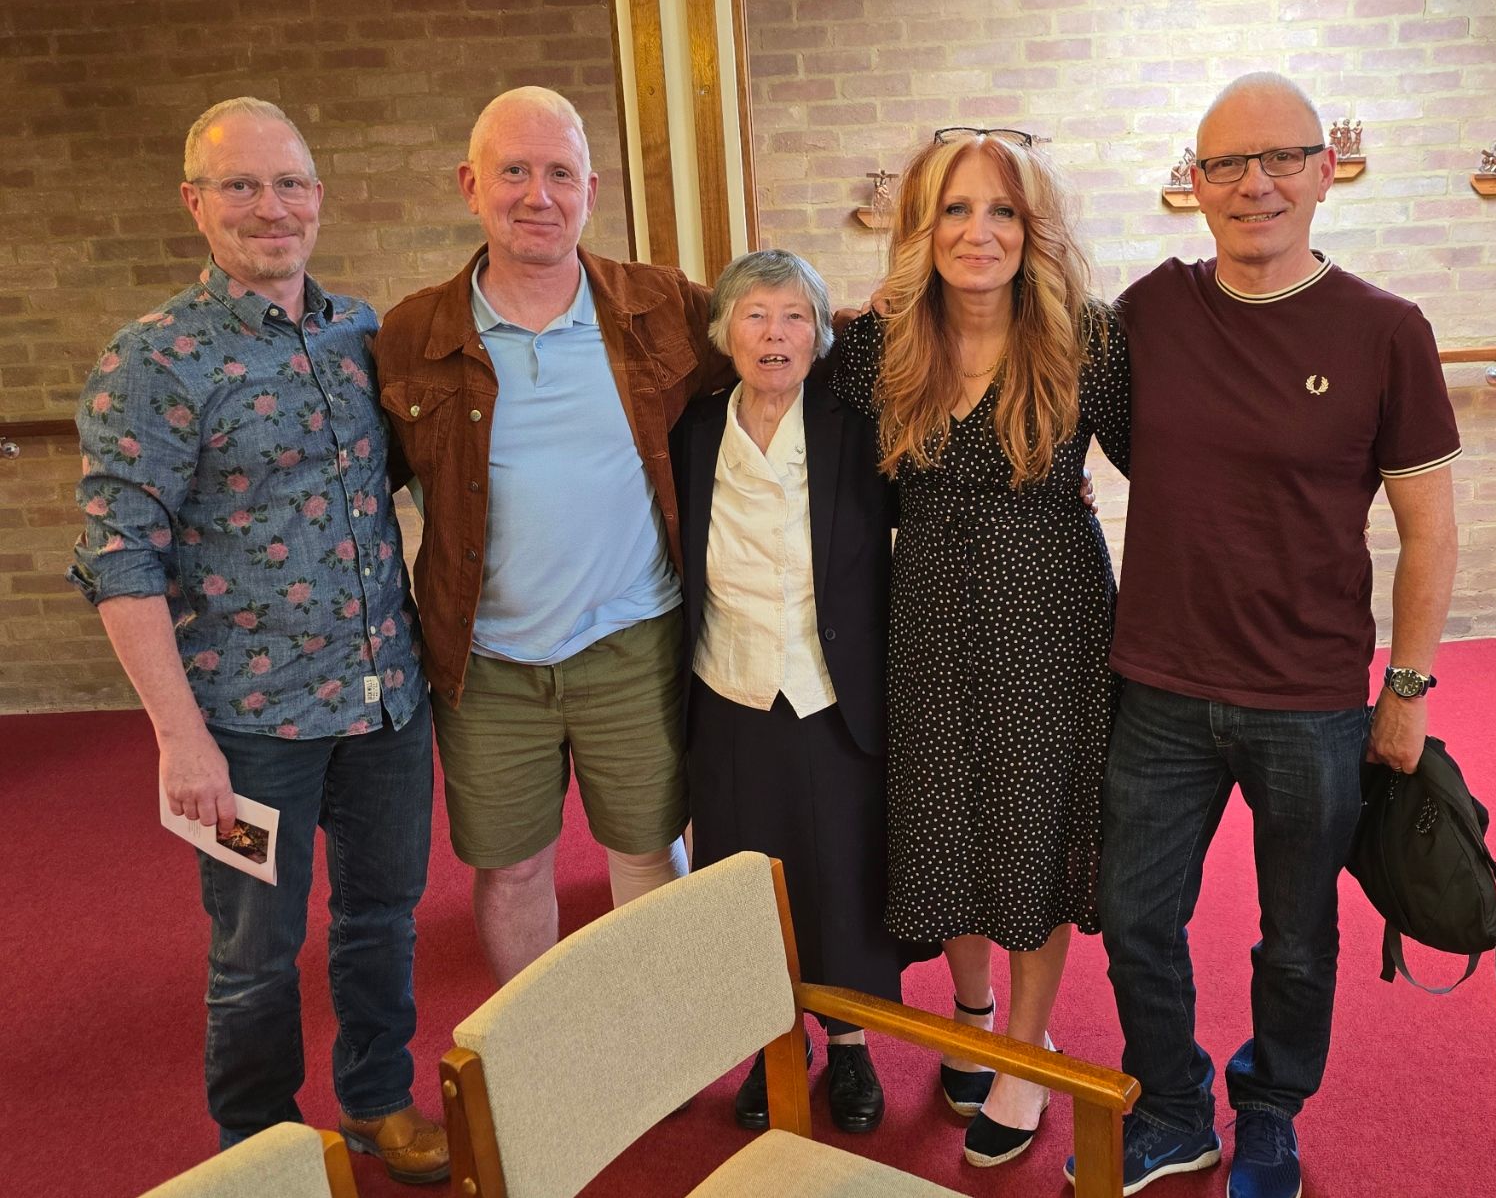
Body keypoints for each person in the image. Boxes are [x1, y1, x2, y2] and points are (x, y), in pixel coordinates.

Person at [1089, 73, 1460, 1198]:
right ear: (1193, 185)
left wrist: (1406, 688)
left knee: (1295, 934)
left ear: (1325, 170)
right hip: (1158, 686)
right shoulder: (1148, 312)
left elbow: (1430, 530)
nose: (1254, 184)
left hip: (1309, 698)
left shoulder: (1386, 329)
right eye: (1225, 164)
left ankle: (1269, 1110)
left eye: (1281, 158)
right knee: (1132, 916)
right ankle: (1171, 1109)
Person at [69, 98, 447, 1184]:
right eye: (240, 185)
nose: (269, 207)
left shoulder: (360, 333)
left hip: (384, 706)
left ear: (318, 198)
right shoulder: (154, 359)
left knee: (383, 917)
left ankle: (377, 1100)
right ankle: (262, 1148)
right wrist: (177, 737)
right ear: (195, 203)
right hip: (244, 729)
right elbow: (119, 559)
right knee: (253, 954)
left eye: (287, 184)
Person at [370, 87, 732, 985]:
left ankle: (663, 1027)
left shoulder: (660, 307)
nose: (538, 194)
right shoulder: (412, 334)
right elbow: (354, 484)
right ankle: (541, 1043)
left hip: (631, 639)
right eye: (514, 171)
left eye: (560, 173)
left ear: (590, 191)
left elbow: (780, 337)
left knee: (647, 846)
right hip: (485, 660)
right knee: (512, 867)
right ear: (470, 185)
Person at [831, 127, 1130, 1167]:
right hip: (925, 614)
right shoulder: (877, 345)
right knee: (942, 815)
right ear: (922, 226)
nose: (979, 231)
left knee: (1033, 824)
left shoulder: (1089, 340)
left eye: (1002, 209)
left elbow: (1173, 465)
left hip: (1051, 613)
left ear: (1032, 227)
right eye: (955, 209)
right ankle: (972, 1008)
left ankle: (1025, 1049)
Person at [672, 249, 902, 1135]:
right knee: (744, 875)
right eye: (755, 315)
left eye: (795, 316)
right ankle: (773, 1043)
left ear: (819, 336)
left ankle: (850, 1042)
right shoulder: (693, 431)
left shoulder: (856, 425)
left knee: (841, 872)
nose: (775, 334)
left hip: (831, 686)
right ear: (723, 332)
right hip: (728, 688)